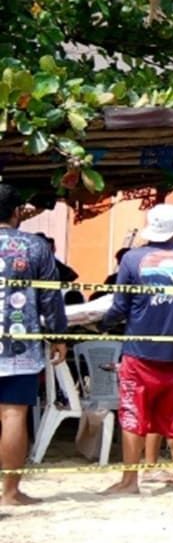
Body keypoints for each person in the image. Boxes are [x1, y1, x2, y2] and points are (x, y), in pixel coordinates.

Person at [103, 204, 173, 495]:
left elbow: (119, 306)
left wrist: (104, 322)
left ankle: (130, 481)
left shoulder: (131, 259)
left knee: (132, 416)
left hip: (138, 352)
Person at [0, 183, 66, 506]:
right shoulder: (36, 247)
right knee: (14, 416)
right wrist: (58, 336)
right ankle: (10, 493)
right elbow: (51, 297)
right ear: (16, 212)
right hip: (20, 346)